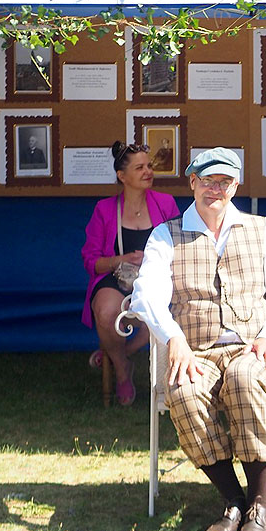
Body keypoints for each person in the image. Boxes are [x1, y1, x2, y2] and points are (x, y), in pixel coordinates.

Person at [129, 147, 266, 531]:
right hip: (196, 350)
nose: (215, 190)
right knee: (184, 391)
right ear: (192, 182)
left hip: (251, 347)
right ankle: (233, 500)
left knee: (243, 379)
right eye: (207, 181)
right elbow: (146, 294)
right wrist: (174, 338)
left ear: (236, 186)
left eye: (224, 182)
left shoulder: (262, 230)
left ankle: (261, 503)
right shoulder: (166, 235)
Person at [79, 141, 180, 405]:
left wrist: (153, 259)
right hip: (117, 277)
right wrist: (120, 260)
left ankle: (118, 356)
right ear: (122, 176)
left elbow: (181, 248)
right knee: (105, 311)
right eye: (139, 168)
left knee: (155, 316)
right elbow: (91, 261)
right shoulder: (104, 209)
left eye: (149, 166)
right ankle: (123, 370)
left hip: (156, 278)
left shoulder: (165, 203)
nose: (148, 172)